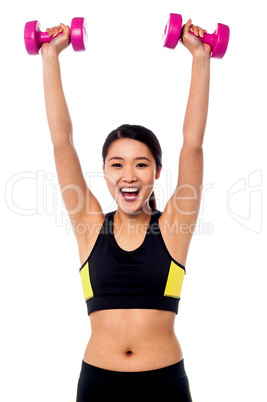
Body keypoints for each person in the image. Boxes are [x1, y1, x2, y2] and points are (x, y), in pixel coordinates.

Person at [40, 16, 211, 401]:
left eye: (141, 163)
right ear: (104, 173)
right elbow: (61, 142)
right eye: (116, 164)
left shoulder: (174, 227)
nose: (128, 175)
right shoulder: (89, 226)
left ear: (157, 172)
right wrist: (49, 56)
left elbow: (192, 145)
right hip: (99, 384)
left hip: (164, 384)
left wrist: (201, 58)